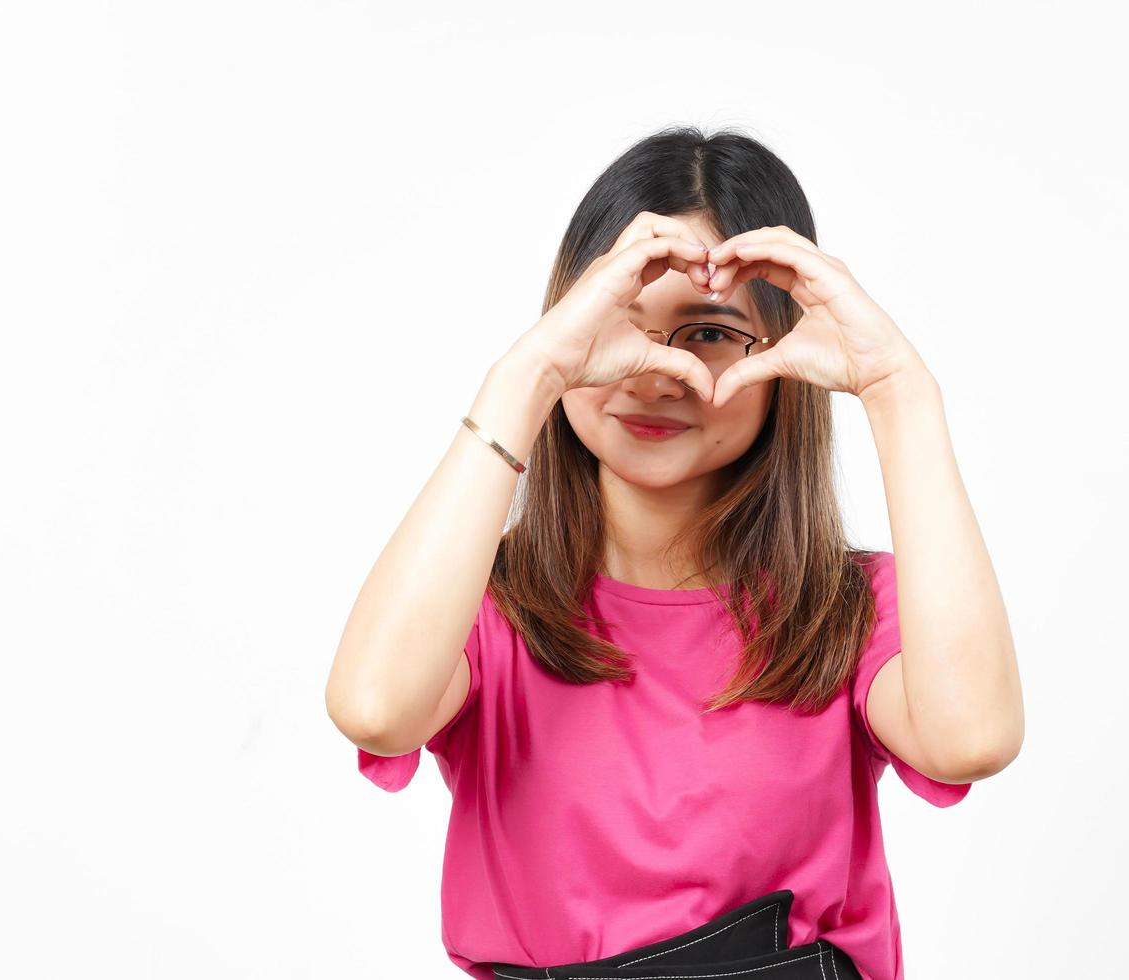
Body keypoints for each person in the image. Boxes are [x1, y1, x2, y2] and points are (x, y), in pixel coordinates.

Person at [323, 126, 1023, 980]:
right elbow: (373, 707)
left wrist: (899, 393)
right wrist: (529, 376)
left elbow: (973, 739)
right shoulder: (482, 602)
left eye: (709, 333)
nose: (654, 373)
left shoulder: (846, 608)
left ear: (782, 355)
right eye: (621, 325)